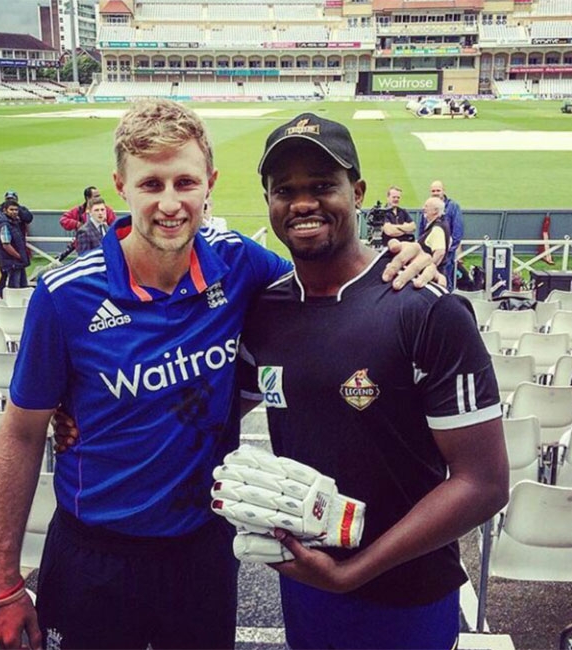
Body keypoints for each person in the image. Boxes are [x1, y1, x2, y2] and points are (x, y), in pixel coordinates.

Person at [0, 99, 438, 649]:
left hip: (204, 548)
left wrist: (408, 257)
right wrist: (4, 585)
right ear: (120, 187)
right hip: (95, 554)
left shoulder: (243, 264)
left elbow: (328, 282)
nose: (171, 203)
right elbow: (21, 432)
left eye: (185, 182)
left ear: (210, 184)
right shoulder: (64, 296)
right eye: (151, 184)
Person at [231, 112, 509, 650]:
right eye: (284, 189)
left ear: (357, 193)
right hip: (307, 581)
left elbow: (483, 483)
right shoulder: (265, 311)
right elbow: (206, 410)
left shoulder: (426, 309)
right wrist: (79, 413)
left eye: (322, 185)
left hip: (408, 592)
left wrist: (354, 571)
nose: (303, 202)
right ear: (267, 200)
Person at [419, 180, 463, 291]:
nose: (435, 193)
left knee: (444, 284)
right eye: (433, 190)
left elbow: (457, 232)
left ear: (443, 191)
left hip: (443, 258)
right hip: (429, 255)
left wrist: (447, 251)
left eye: (438, 190)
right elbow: (422, 231)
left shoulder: (453, 207)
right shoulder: (429, 209)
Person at [0, 190, 33, 297]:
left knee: (21, 283)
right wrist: (18, 256)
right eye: (11, 208)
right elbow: (5, 243)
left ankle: (2, 296)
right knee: (13, 284)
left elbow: (28, 218)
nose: (14, 211)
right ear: (5, 209)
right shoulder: (3, 221)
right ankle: (1, 297)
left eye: (15, 208)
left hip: (16, 252)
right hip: (12, 256)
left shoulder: (15, 217)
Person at [418, 196, 450, 267]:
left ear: (435, 210)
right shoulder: (442, 223)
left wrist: (428, 268)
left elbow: (440, 252)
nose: (423, 208)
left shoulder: (437, 228)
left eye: (426, 206)